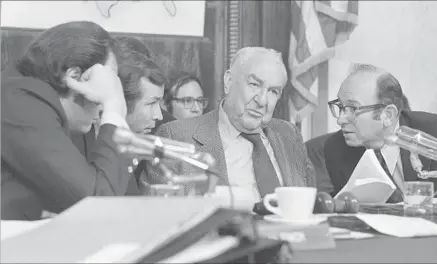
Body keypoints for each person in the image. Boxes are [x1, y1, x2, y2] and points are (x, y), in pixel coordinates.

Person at [1, 21, 137, 220]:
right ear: (75, 77)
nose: (101, 107)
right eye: (107, 86)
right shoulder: (20, 100)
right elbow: (97, 203)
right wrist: (114, 107)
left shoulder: (53, 112)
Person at [149, 47, 315, 204]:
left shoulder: (289, 135)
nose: (262, 101)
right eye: (254, 84)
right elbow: (163, 216)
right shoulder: (176, 136)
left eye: (273, 91)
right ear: (229, 81)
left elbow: (311, 206)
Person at [324, 63, 437, 201]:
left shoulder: (432, 131)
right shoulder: (336, 149)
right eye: (341, 106)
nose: (340, 120)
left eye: (353, 108)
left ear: (387, 115)